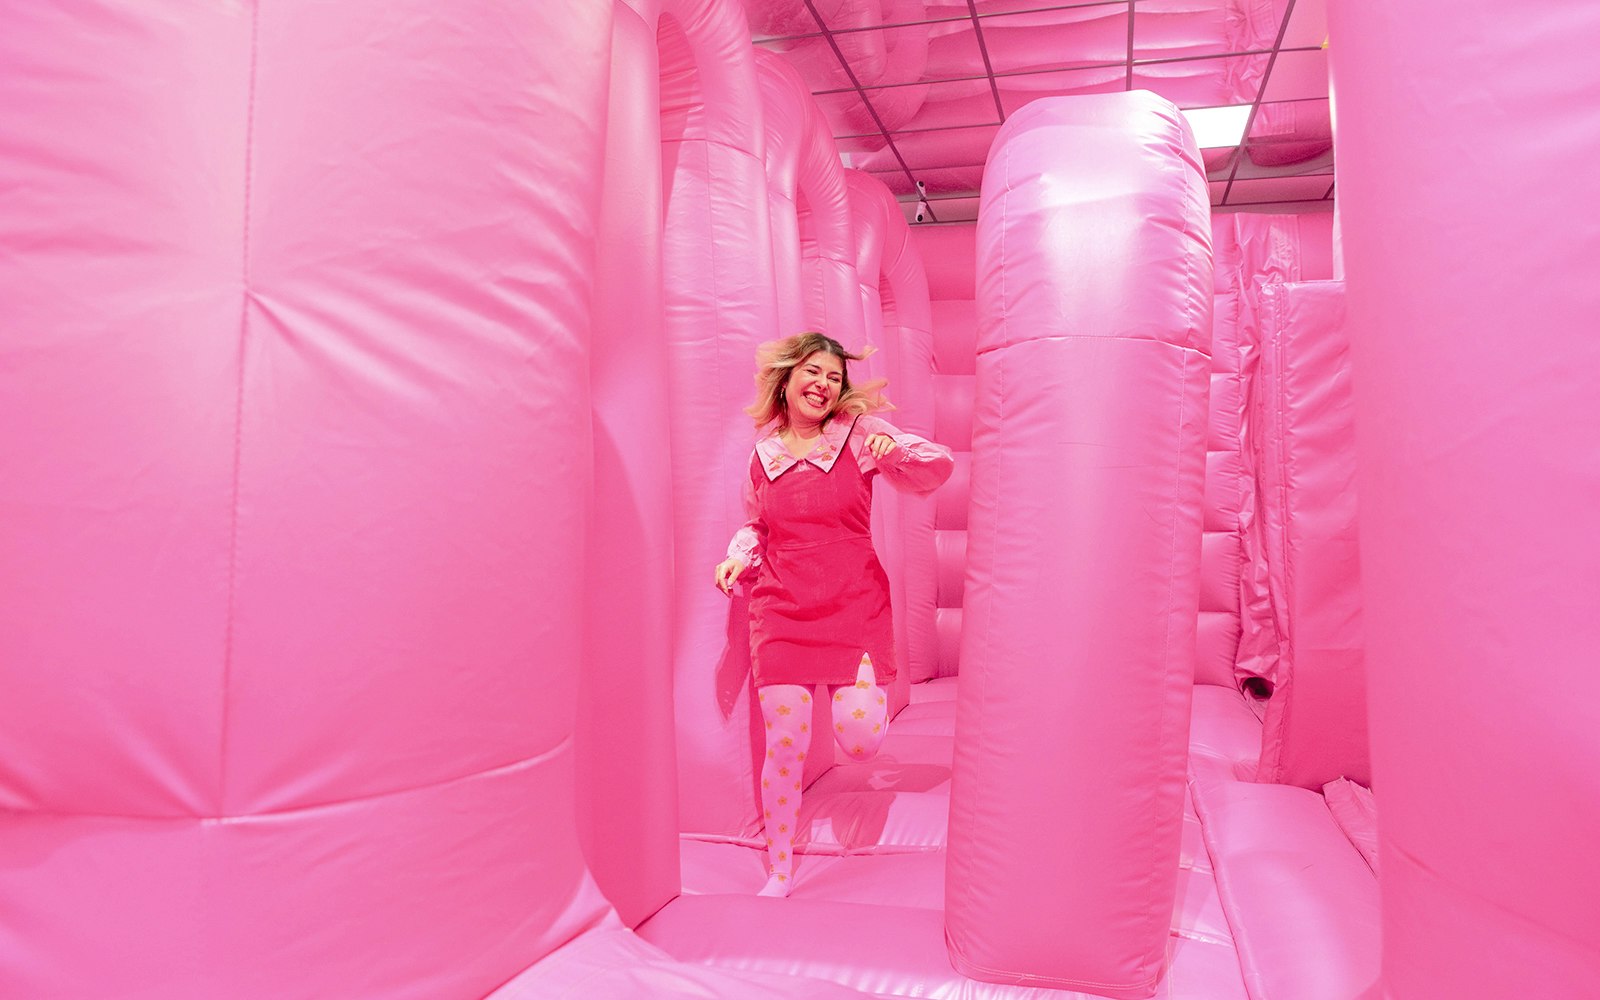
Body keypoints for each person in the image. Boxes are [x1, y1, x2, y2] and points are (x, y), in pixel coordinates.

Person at [714, 332, 953, 897]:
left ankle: (867, 713)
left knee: (862, 741)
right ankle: (779, 869)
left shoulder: (861, 434)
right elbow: (757, 525)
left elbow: (935, 470)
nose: (824, 384)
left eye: (834, 377)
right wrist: (737, 556)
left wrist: (898, 453)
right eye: (813, 372)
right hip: (781, 612)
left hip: (853, 605)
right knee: (785, 745)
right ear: (787, 378)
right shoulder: (762, 456)